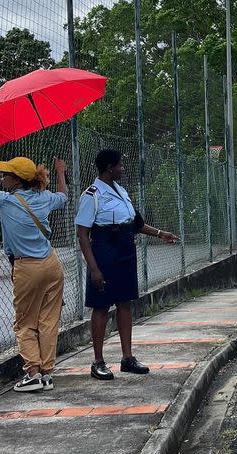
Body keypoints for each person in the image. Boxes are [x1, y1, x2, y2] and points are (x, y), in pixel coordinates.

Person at [0, 131, 67, 392]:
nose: (1, 177)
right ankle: (47, 372)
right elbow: (64, 196)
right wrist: (60, 172)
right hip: (52, 264)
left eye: (5, 174)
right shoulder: (45, 198)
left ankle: (33, 373)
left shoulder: (5, 201)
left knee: (24, 322)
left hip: (27, 267)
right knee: (48, 320)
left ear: (16, 180)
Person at [76, 149, 179, 381]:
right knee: (101, 306)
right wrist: (93, 268)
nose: (123, 168)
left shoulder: (121, 191)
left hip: (125, 251)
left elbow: (135, 223)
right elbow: (83, 234)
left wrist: (161, 233)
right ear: (109, 168)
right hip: (104, 251)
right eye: (120, 165)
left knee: (125, 303)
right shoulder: (91, 195)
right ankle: (98, 362)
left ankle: (127, 358)